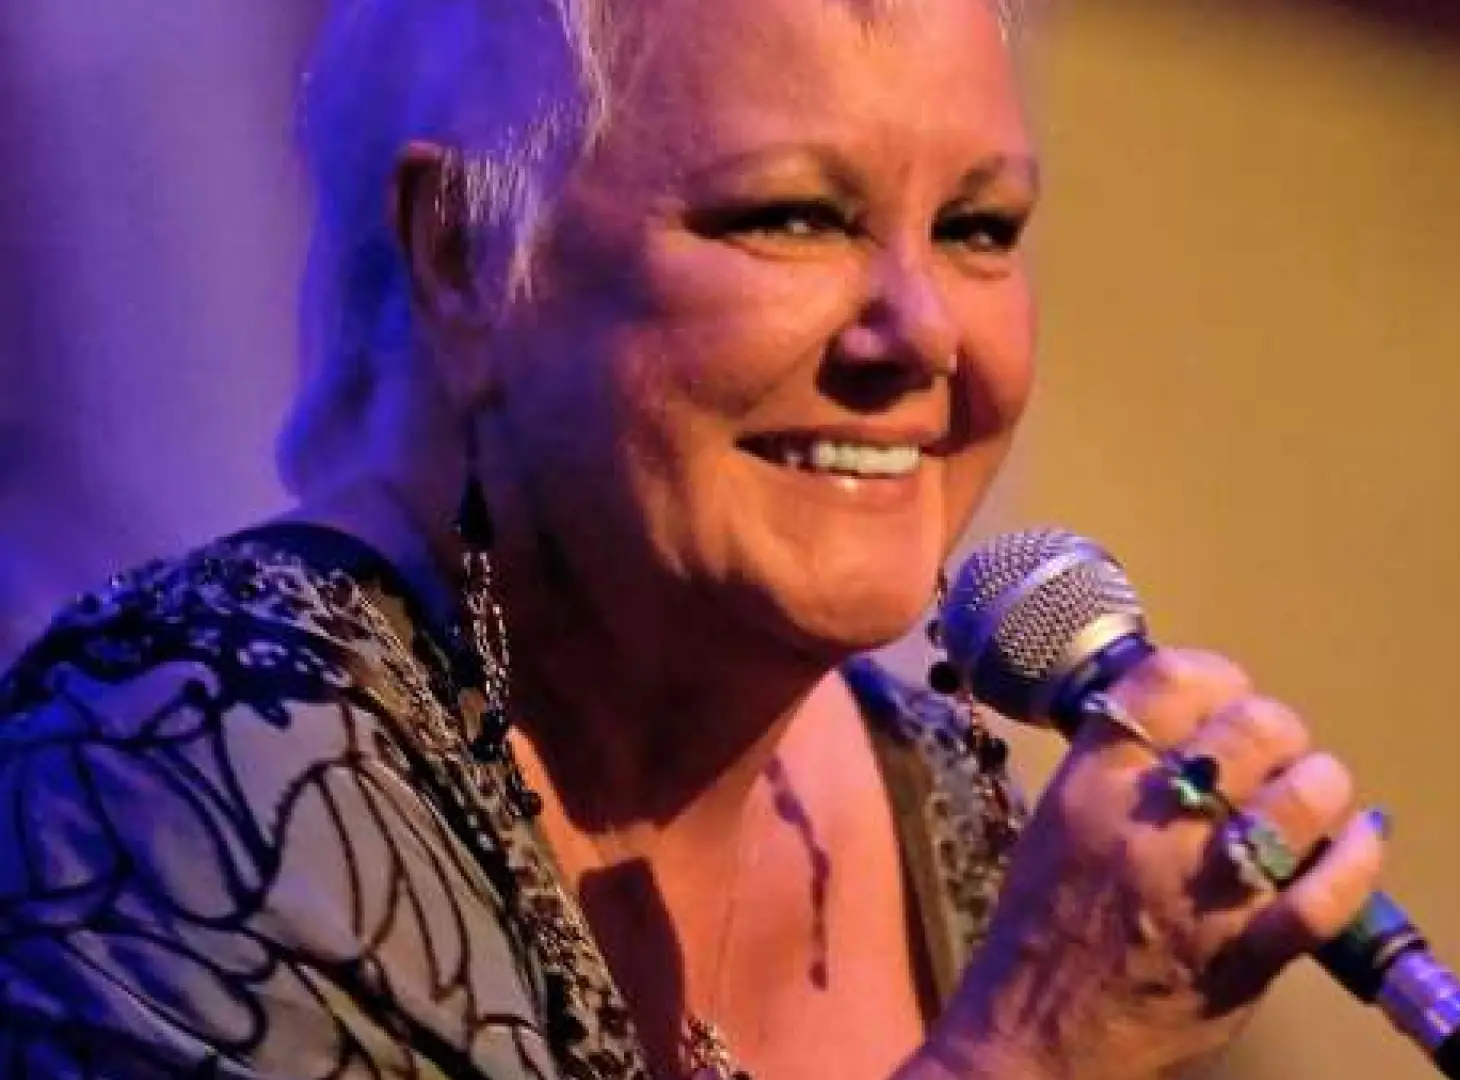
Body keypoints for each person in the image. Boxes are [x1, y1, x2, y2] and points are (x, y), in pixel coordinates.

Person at [0, 0, 1388, 1077]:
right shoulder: (168, 762)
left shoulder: (953, 815)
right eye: (792, 215)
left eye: (979, 227)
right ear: (467, 251)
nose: (921, 334)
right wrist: (1029, 1050)